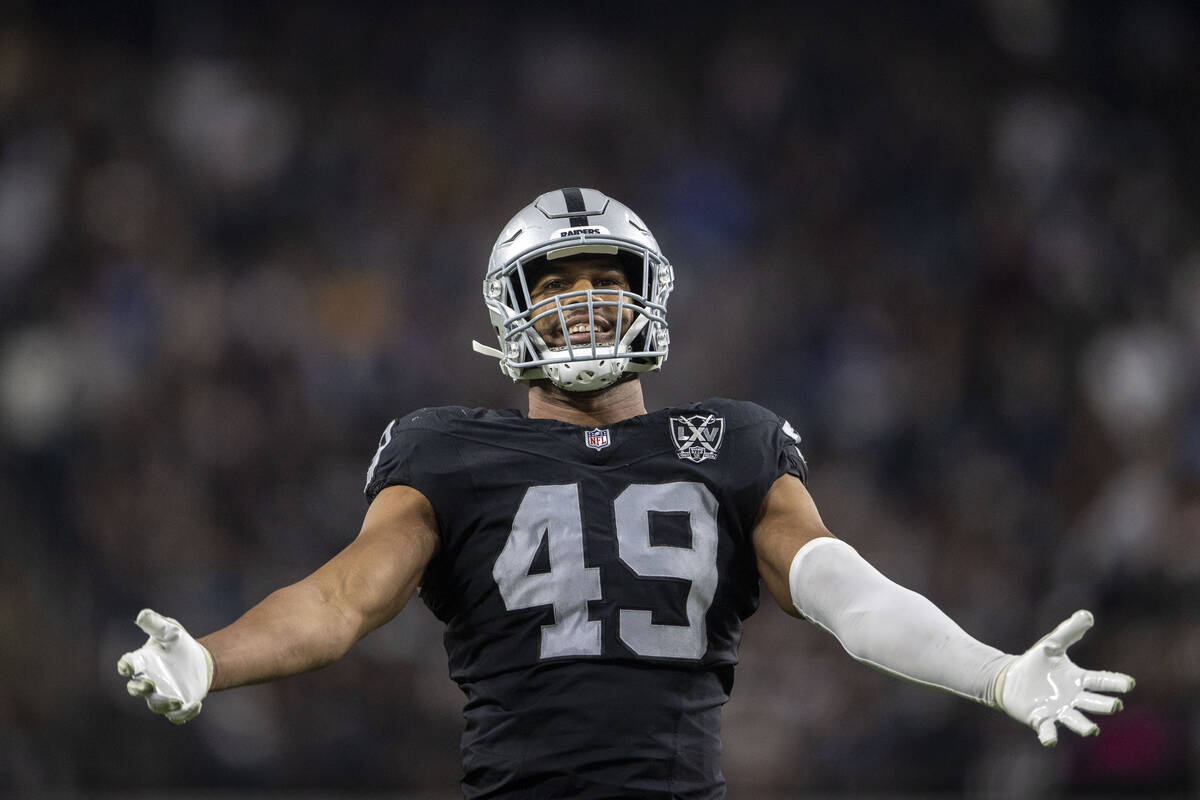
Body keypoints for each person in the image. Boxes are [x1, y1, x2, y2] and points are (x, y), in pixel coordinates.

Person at [117, 188, 1135, 798]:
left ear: (652, 287)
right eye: (556, 284)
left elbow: (847, 593)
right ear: (508, 313)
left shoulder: (731, 440)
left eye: (605, 274)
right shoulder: (450, 450)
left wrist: (993, 672)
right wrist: (213, 654)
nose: (586, 298)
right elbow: (339, 600)